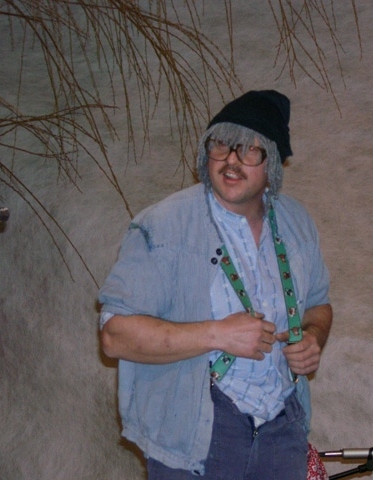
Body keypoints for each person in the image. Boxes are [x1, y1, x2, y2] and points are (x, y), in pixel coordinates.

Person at [98, 90, 333, 480]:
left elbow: (319, 305)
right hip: (198, 427)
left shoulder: (296, 223)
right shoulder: (163, 225)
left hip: (282, 429)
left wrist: (312, 337)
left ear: (273, 163)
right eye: (221, 145)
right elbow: (114, 336)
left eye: (250, 150)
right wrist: (217, 335)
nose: (231, 161)